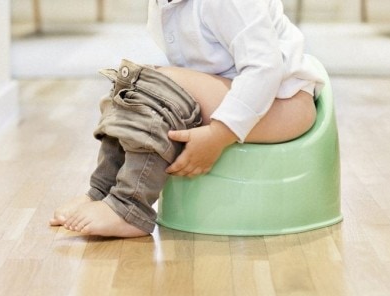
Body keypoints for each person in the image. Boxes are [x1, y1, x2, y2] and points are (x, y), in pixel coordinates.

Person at [51, 0, 325, 237]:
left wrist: (220, 134)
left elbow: (264, 69)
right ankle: (102, 192)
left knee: (152, 86)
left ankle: (129, 208)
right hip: (242, 94)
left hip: (284, 103)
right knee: (132, 87)